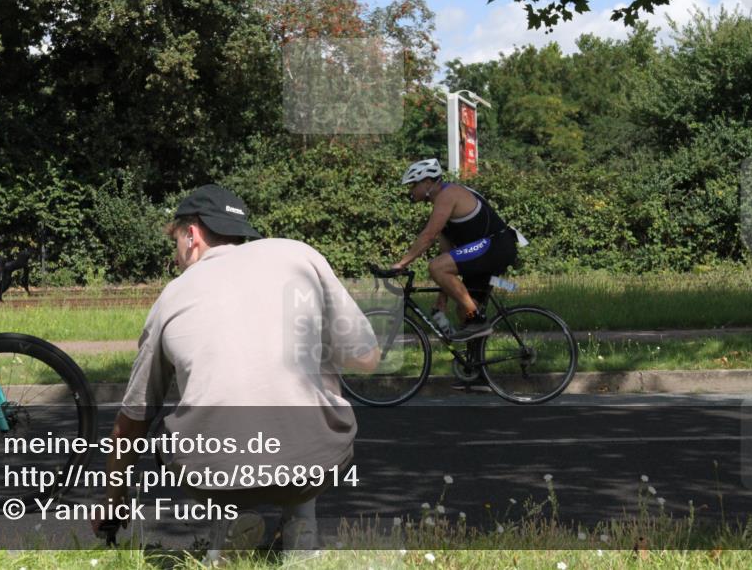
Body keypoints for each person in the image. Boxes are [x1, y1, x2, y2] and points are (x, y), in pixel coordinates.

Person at [91, 184, 379, 560]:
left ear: (191, 235)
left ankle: (228, 523)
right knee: (312, 370)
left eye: (175, 242)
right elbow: (367, 358)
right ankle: (301, 529)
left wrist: (113, 500)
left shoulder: (172, 296)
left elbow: (131, 423)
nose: (176, 257)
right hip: (314, 466)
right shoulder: (298, 255)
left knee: (181, 417)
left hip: (213, 475)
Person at [391, 158, 518, 341]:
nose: (410, 190)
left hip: (496, 246)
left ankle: (477, 320)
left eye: (413, 185)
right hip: (488, 250)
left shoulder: (448, 195)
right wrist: (442, 298)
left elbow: (428, 236)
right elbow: (448, 256)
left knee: (435, 266)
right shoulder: (441, 206)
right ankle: (476, 356)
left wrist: (401, 264)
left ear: (427, 182)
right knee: (464, 310)